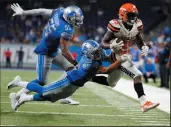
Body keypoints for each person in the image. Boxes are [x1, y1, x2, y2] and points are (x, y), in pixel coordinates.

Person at [7, 40, 128, 111]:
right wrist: (119, 60)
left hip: (74, 86)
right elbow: (105, 70)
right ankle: (18, 82)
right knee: (43, 91)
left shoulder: (97, 53)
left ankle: (23, 98)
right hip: (67, 82)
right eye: (95, 52)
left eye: (97, 51)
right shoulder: (88, 64)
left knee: (51, 98)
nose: (98, 53)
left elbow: (105, 57)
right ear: (88, 54)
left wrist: (113, 51)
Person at [10, 3, 84, 105]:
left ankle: (65, 97)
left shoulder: (60, 12)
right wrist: (76, 62)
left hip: (53, 49)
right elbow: (65, 51)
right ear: (69, 17)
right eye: (76, 18)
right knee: (41, 81)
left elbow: (42, 11)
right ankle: (18, 92)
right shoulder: (67, 29)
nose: (78, 20)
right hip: (45, 52)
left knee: (70, 69)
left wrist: (23, 12)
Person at [92, 3, 159, 112]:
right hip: (117, 57)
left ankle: (87, 77)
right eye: (130, 15)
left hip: (125, 57)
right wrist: (110, 45)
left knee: (111, 83)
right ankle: (144, 102)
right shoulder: (115, 25)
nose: (133, 18)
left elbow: (139, 40)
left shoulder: (137, 25)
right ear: (123, 15)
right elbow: (103, 42)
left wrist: (143, 46)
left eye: (134, 15)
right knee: (137, 75)